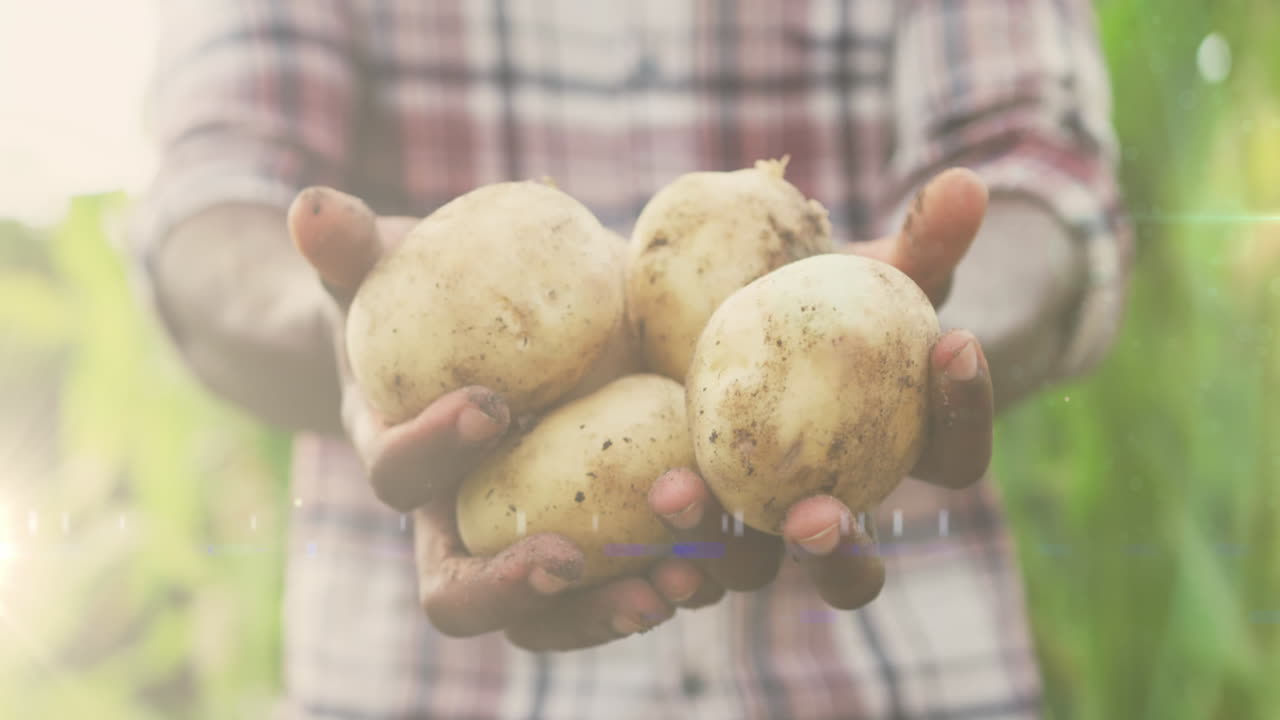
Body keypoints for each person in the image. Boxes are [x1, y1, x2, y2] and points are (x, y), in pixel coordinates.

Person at [128, 1, 1130, 717]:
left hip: (900, 676)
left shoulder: (750, 270)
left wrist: (928, 331)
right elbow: (209, 207)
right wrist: (343, 344)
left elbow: (1041, 185)